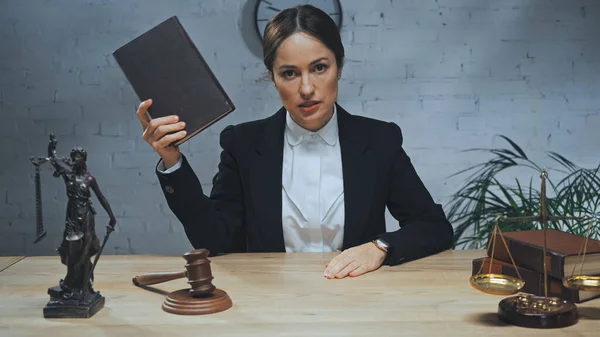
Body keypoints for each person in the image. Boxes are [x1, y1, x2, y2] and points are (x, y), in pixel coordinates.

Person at [136, 5, 454, 279]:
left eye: (319, 68)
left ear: (339, 68)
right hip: (271, 305)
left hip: (359, 302)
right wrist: (171, 160)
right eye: (289, 73)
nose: (306, 88)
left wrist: (380, 247)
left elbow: (434, 227)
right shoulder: (243, 145)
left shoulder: (379, 140)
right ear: (272, 78)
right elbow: (215, 240)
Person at [47, 134, 117, 296]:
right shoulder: (68, 174)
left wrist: (111, 216)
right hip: (71, 216)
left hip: (86, 216)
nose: (74, 160)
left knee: (85, 250)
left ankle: (84, 284)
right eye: (72, 157)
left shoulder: (89, 178)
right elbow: (53, 159)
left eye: (77, 157)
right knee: (72, 251)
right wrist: (52, 145)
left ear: (83, 159)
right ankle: (72, 283)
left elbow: (101, 198)